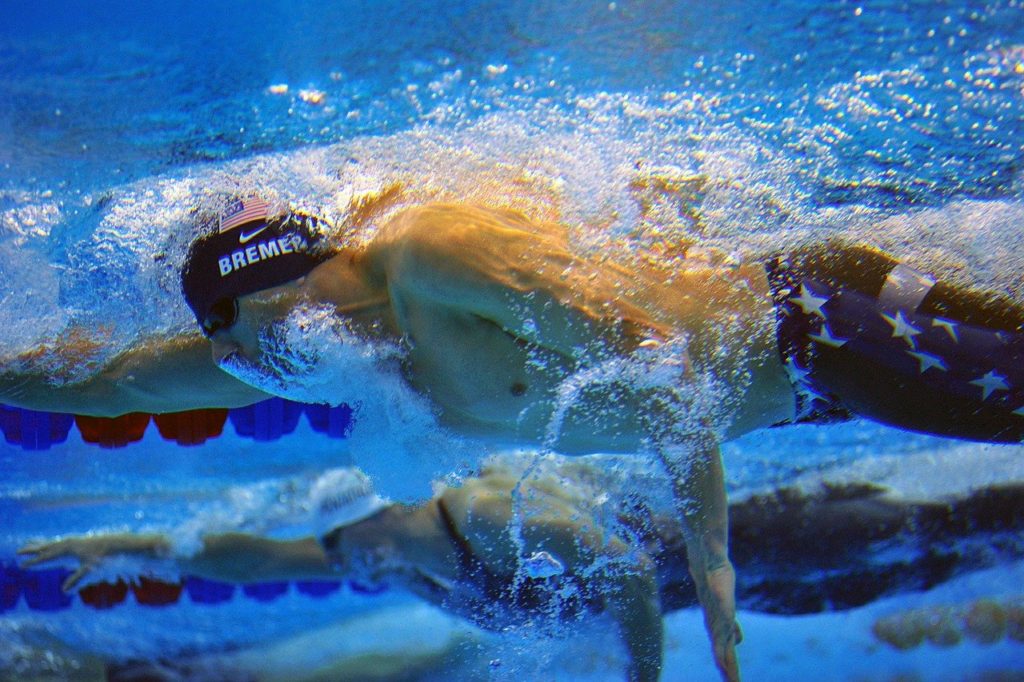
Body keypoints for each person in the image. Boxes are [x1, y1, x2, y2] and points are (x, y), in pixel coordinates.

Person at [6, 194, 1024, 680]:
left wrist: (710, 560)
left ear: (290, 276)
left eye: (253, 332)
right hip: (801, 395)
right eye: (230, 345)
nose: (256, 361)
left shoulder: (431, 259)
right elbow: (109, 384)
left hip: (808, 327)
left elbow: (662, 370)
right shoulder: (316, 348)